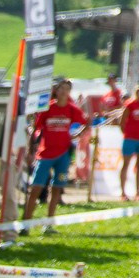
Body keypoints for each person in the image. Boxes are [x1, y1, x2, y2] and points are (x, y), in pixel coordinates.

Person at [24, 79, 88, 228]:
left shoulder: (72, 109)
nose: (64, 92)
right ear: (56, 91)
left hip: (63, 155)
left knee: (57, 189)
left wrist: (76, 135)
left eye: (67, 89)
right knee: (36, 188)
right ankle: (26, 223)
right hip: (45, 154)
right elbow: (36, 129)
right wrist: (30, 150)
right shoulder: (47, 108)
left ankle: (49, 224)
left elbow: (86, 122)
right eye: (61, 89)